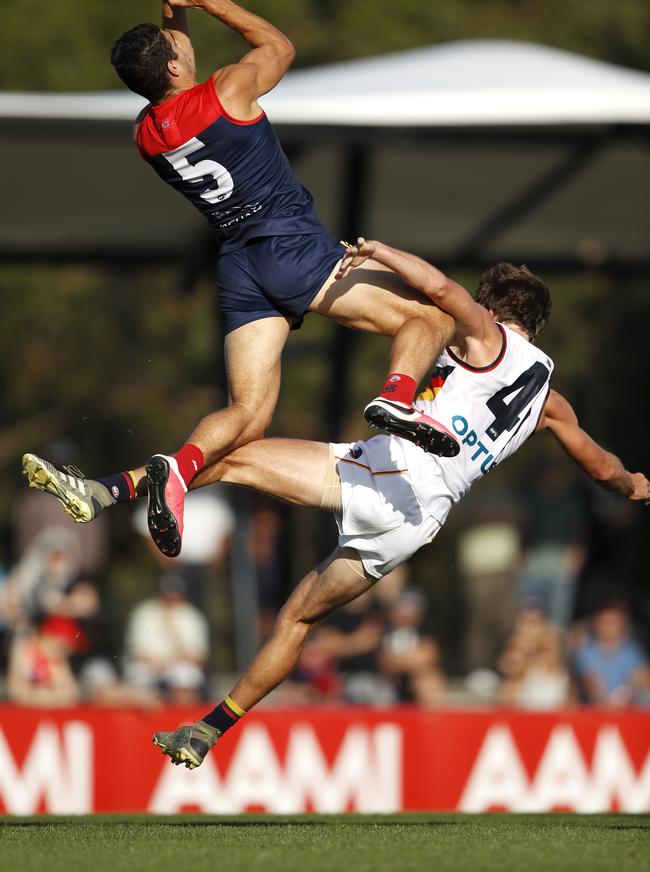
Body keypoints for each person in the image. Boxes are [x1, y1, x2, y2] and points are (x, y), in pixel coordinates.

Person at [22, 240, 649, 767]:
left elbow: (439, 289)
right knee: (298, 618)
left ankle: (105, 490)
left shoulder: (484, 335)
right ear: (538, 326)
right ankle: (209, 729)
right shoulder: (551, 403)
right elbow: (605, 469)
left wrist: (379, 251)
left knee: (235, 456)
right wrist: (638, 487)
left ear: (494, 309)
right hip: (419, 523)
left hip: (393, 469)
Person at [22, 0, 458, 559]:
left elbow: (176, 81)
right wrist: (208, 0)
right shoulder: (228, 89)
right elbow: (279, 47)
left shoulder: (146, 133)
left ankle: (117, 486)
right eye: (177, 48)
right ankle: (396, 396)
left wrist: (174, 9)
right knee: (429, 317)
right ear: (175, 64)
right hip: (291, 247)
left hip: (240, 267)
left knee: (247, 416)